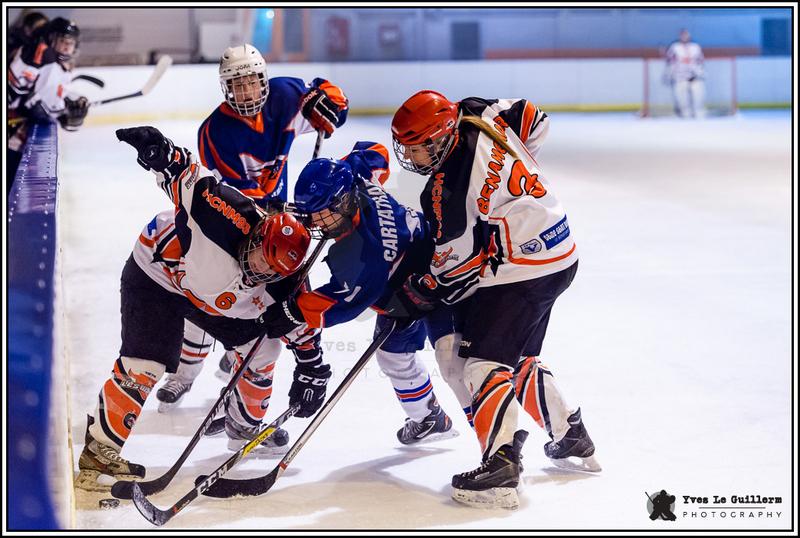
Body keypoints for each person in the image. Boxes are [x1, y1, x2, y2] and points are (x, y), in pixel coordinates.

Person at [75, 126, 332, 493]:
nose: (260, 268)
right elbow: (186, 175)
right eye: (260, 256)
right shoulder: (225, 212)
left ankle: (242, 426)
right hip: (159, 273)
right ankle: (100, 451)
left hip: (214, 301)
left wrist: (312, 368)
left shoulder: (284, 280)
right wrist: (159, 150)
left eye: (271, 269)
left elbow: (302, 327)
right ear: (258, 234)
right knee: (144, 365)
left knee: (265, 348)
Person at [388, 90, 601, 509]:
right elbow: (535, 119)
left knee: (482, 364)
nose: (411, 158)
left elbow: (451, 269)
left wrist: (417, 292)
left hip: (523, 268)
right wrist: (513, 181)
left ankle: (502, 466)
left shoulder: (446, 195)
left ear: (439, 138)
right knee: (517, 358)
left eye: (417, 148)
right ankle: (569, 432)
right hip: (560, 246)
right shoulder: (477, 110)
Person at [155, 43, 349, 412]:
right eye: (236, 85)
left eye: (251, 82)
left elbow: (329, 100)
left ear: (263, 80)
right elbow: (230, 198)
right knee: (201, 295)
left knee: (278, 297)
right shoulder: (215, 131)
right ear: (226, 88)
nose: (245, 92)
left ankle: (244, 374)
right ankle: (184, 375)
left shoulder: (287, 94)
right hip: (234, 224)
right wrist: (277, 212)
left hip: (277, 225)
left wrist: (331, 104)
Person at [256, 141, 458, 444]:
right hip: (427, 249)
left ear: (343, 203)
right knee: (396, 356)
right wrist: (336, 170)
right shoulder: (354, 175)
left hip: (417, 288)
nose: (313, 223)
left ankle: (448, 416)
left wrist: (292, 311)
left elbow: (341, 303)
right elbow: (376, 151)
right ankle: (428, 417)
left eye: (322, 214)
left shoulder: (364, 255)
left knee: (405, 356)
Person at [7, 16, 88, 189]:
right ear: (52, 40)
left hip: (18, 143)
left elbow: (51, 104)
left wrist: (68, 112)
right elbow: (16, 94)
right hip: (11, 140)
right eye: (62, 41)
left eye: (71, 43)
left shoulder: (60, 68)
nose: (67, 46)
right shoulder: (39, 57)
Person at [664, 29, 706, 118]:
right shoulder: (675, 47)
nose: (684, 37)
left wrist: (701, 73)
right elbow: (670, 62)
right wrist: (669, 75)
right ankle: (684, 114)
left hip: (695, 76)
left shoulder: (695, 47)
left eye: (686, 35)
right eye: (682, 35)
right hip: (680, 77)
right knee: (681, 99)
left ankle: (698, 113)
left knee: (698, 95)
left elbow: (700, 61)